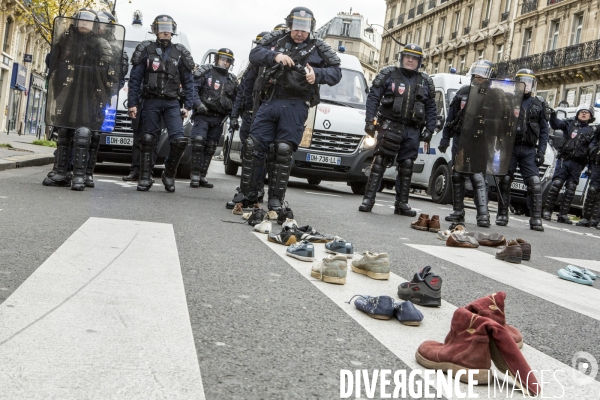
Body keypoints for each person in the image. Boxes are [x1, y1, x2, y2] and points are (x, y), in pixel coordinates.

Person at [236, 7, 342, 211]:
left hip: (296, 104)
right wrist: (274, 57)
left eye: (304, 28)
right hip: (270, 100)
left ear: (310, 28)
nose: (300, 32)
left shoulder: (318, 47)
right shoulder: (277, 39)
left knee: (283, 151)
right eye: (296, 27)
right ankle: (248, 195)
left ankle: (275, 199)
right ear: (290, 25)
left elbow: (336, 72)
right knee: (253, 146)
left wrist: (317, 74)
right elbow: (254, 54)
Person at [43, 9, 118, 191]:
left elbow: (111, 73)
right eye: (81, 20)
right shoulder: (66, 41)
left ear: (94, 25)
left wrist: (103, 92)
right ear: (75, 22)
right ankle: (61, 172)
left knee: (84, 134)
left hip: (90, 95)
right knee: (63, 132)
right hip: (68, 93)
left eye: (88, 21)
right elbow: (51, 62)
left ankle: (80, 175)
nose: (84, 23)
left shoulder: (101, 44)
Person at [358, 43, 437, 215]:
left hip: (412, 130)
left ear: (419, 61)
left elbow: (431, 107)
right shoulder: (388, 75)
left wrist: (430, 129)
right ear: (402, 58)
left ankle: (402, 204)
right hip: (389, 126)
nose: (410, 60)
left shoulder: (425, 81)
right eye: (408, 56)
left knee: (407, 165)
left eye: (414, 58)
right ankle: (368, 199)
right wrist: (369, 121)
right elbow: (373, 98)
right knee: (379, 162)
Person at [127, 15, 195, 192]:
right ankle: (144, 176)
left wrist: (187, 105)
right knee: (148, 139)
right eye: (161, 27)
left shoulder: (180, 52)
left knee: (179, 140)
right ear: (155, 29)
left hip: (172, 102)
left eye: (168, 28)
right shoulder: (146, 49)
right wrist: (132, 103)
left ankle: (169, 174)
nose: (165, 31)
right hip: (151, 101)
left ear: (173, 30)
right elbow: (135, 79)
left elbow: (189, 82)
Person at [438, 60, 498, 227]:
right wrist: (445, 138)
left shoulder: (495, 96)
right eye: (476, 72)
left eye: (483, 72)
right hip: (461, 139)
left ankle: (483, 215)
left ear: (490, 75)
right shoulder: (463, 92)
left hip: (481, 141)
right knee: (457, 175)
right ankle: (458, 211)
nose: (478, 75)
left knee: (478, 177)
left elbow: (502, 122)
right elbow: (451, 117)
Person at [495, 69, 549, 231]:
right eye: (523, 82)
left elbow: (545, 130)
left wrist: (541, 152)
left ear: (533, 85)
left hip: (529, 149)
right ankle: (502, 214)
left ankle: (535, 219)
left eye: (530, 82)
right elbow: (499, 124)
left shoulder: (539, 104)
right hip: (509, 147)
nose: (526, 85)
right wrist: (497, 145)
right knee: (504, 180)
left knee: (535, 183)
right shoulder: (509, 101)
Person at [226, 30, 270, 209]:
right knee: (247, 153)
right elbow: (241, 95)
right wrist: (234, 116)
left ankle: (257, 191)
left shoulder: (271, 68)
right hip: (248, 115)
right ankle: (246, 190)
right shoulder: (250, 69)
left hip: (263, 116)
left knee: (261, 156)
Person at [190, 48, 238, 188]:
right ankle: (194, 175)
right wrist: (198, 104)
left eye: (227, 61)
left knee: (211, 147)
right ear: (217, 59)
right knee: (198, 143)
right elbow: (193, 88)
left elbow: (237, 100)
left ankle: (202, 176)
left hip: (218, 118)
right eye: (222, 59)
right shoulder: (206, 72)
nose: (224, 62)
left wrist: (233, 117)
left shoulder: (232, 79)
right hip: (202, 115)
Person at [543, 104, 596, 223]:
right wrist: (553, 115)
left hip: (578, 164)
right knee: (556, 184)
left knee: (571, 188)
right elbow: (556, 124)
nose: (583, 113)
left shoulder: (591, 131)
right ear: (577, 113)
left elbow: (591, 150)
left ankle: (563, 215)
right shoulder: (569, 123)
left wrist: (590, 167)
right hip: (564, 161)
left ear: (590, 116)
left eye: (586, 112)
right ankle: (547, 211)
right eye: (581, 111)